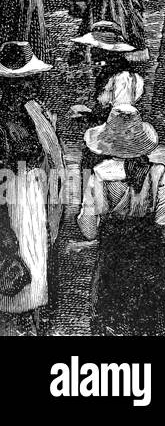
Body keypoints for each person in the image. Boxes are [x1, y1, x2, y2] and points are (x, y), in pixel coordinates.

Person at [78, 105, 165, 336]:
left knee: (114, 316)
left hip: (114, 255)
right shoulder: (156, 172)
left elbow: (89, 230)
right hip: (150, 253)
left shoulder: (100, 174)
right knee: (152, 317)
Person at [0, 43, 59, 335]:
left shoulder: (31, 111)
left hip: (30, 191)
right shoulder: (11, 118)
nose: (29, 86)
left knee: (33, 255)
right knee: (21, 254)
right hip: (15, 192)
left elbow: (50, 156)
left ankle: (29, 320)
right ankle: (22, 322)